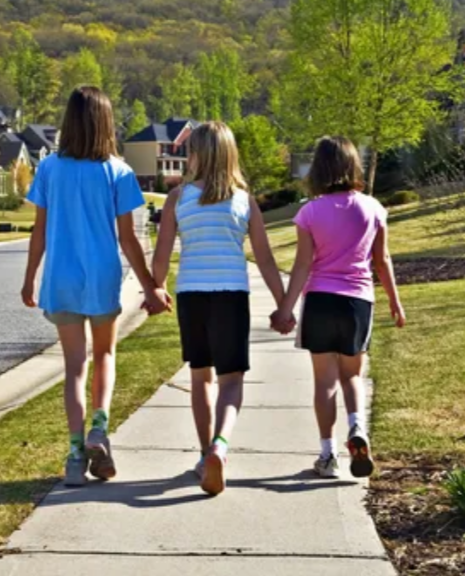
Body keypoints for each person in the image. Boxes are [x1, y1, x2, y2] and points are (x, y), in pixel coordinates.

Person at [21, 86, 171, 487]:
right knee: (104, 354)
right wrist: (151, 286)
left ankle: (74, 457)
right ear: (107, 123)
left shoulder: (49, 168)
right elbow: (128, 238)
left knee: (74, 366)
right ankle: (99, 430)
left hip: (60, 278)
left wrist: (29, 277)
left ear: (68, 121)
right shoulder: (117, 171)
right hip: (102, 275)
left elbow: (39, 232)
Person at [151, 121, 287, 496]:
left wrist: (157, 288)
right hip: (230, 295)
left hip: (192, 295)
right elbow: (264, 258)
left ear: (194, 155)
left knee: (201, 377)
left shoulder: (178, 198)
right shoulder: (244, 200)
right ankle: (220, 447)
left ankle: (203, 455)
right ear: (231, 155)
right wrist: (283, 305)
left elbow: (162, 254)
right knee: (231, 381)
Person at [271, 136, 406, 479]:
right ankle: (357, 428)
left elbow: (302, 265)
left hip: (319, 301)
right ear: (353, 166)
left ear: (318, 169)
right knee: (352, 376)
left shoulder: (309, 212)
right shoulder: (373, 208)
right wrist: (395, 301)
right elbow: (382, 259)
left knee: (325, 382)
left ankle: (328, 455)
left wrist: (285, 309)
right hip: (358, 302)